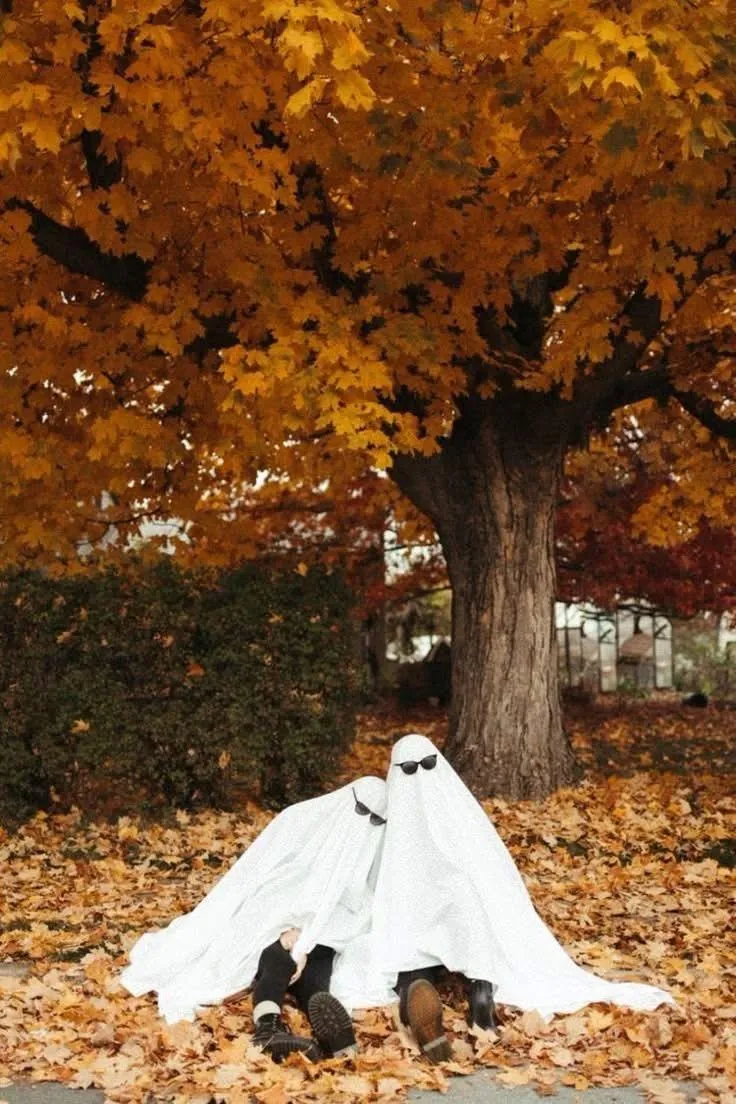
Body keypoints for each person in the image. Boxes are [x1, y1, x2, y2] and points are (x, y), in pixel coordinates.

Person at [330, 734, 674, 1063]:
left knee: (409, 945)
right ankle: (480, 992)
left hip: (417, 924)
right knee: (464, 920)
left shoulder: (397, 824)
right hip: (460, 922)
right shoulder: (458, 812)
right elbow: (491, 877)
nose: (418, 775)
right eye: (412, 768)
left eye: (423, 765)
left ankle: (414, 997)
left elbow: (378, 883)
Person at [120, 776, 388, 1060]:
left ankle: (333, 1037)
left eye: (376, 820)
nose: (365, 825)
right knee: (276, 956)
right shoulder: (303, 824)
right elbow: (265, 882)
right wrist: (291, 930)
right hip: (278, 921)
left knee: (315, 971)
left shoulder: (366, 861)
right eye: (361, 811)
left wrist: (310, 938)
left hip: (323, 936)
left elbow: (358, 909)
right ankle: (268, 1027)